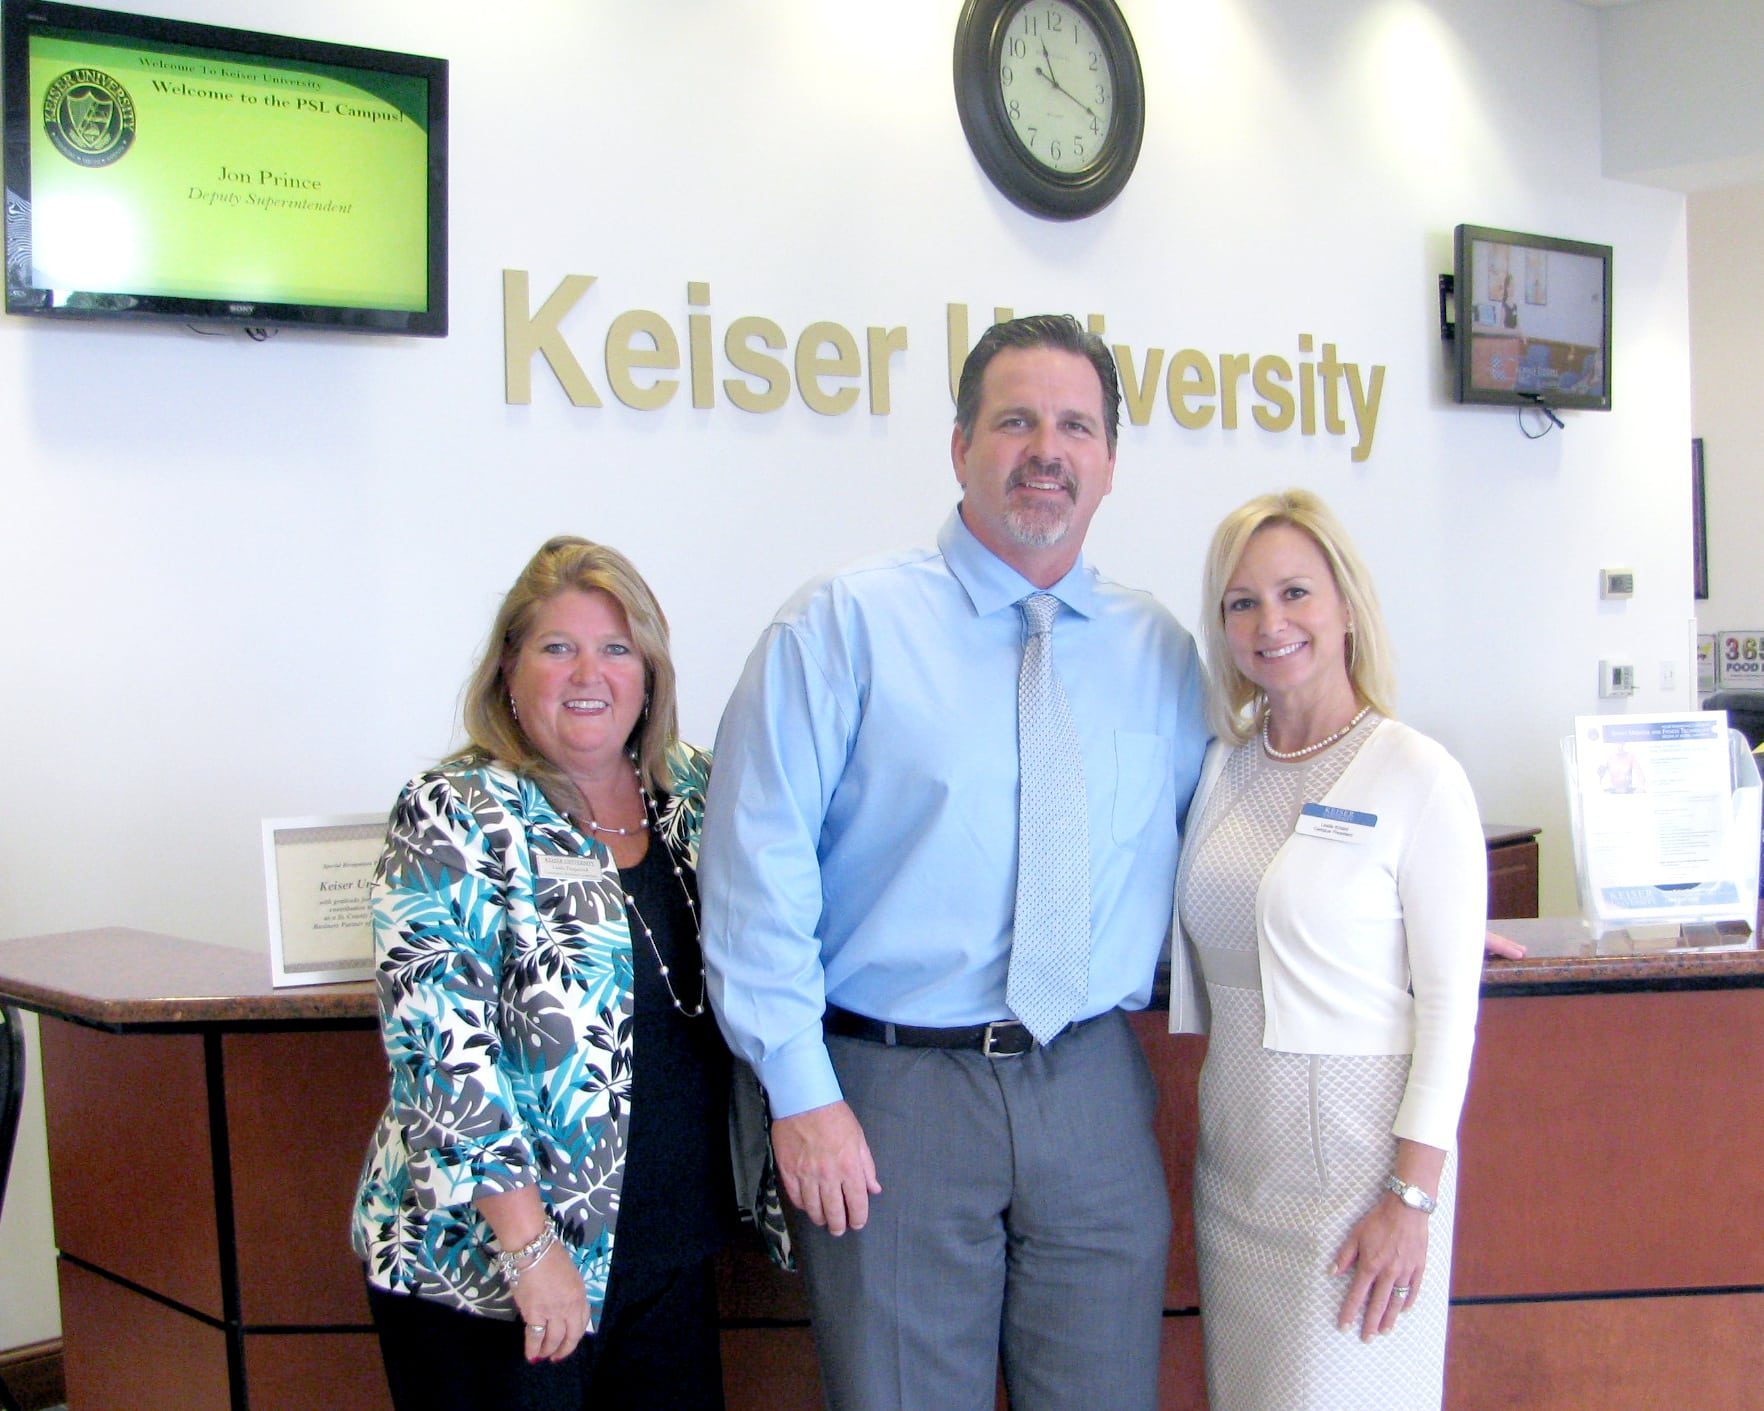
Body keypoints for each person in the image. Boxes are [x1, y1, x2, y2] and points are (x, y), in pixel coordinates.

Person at [699, 314, 1210, 1411]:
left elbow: (1227, 836)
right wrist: (802, 1090)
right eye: (1015, 419)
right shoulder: (842, 627)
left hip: (1090, 1085)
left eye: (1076, 425)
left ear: (1111, 462)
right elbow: (754, 872)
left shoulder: (1158, 649)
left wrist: (1411, 910)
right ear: (959, 445)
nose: (1046, 449)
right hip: (893, 1096)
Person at [352, 535, 749, 1411]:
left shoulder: (692, 794)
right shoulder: (452, 811)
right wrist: (531, 1252)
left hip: (665, 1256)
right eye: (557, 647)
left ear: (649, 673)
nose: (589, 673)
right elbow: (442, 1058)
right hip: (495, 1276)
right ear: (507, 669)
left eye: (616, 648)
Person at [1170, 490, 1485, 1410]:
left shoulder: (1415, 772)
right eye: (1242, 602)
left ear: (1346, 604)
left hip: (1361, 1178)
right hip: (1236, 1166)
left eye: (1296, 592)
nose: (1271, 623)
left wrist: (1411, 1199)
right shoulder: (1224, 766)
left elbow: (1451, 1015)